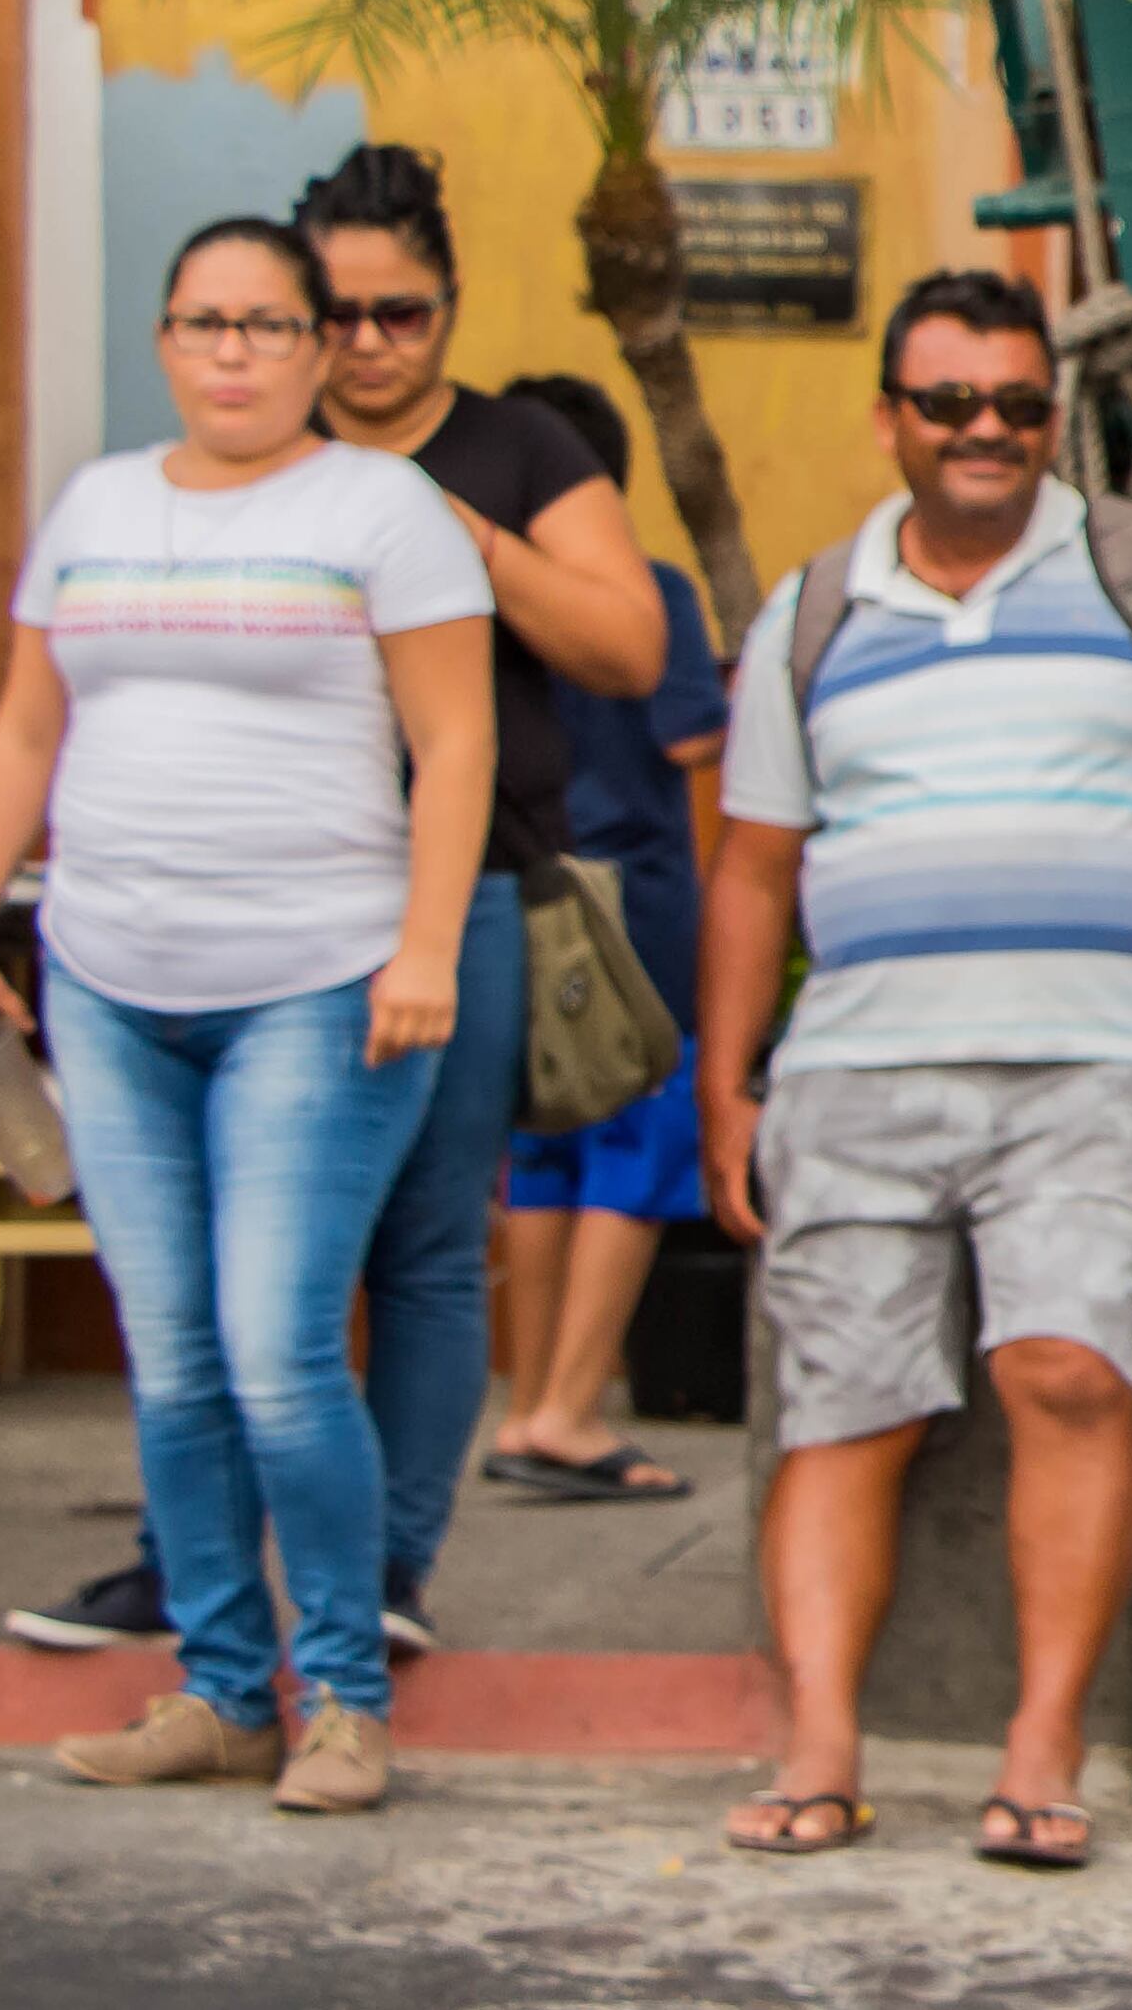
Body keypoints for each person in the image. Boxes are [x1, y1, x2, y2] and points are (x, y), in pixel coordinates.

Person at [696, 269, 1132, 1865]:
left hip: (1088, 1071)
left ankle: (1043, 1744)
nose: (987, 431)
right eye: (950, 403)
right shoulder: (810, 608)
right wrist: (727, 1086)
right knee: (842, 1410)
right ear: (892, 417)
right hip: (853, 1072)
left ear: (1055, 411)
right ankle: (820, 1742)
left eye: (1019, 405)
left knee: (1067, 1371)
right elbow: (754, 868)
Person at [8, 147, 665, 1659]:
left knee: (422, 1249)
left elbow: (630, 650)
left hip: (473, 894)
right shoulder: (203, 464)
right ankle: (192, 1571)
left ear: (447, 312)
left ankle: (385, 1573)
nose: (371, 344)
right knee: (223, 1290)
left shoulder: (514, 452)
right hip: (232, 918)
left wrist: (452, 532)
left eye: (404, 314)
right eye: (343, 313)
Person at [0, 218, 498, 1813]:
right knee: (173, 1362)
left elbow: (453, 745)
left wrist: (425, 946)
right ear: (166, 343)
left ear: (321, 349)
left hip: (319, 989)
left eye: (268, 325)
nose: (235, 352)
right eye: (206, 324)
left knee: (274, 1351)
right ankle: (219, 1690)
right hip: (111, 988)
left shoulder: (380, 508)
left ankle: (343, 1697)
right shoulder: (98, 506)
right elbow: (28, 727)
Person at [483, 370, 726, 1502]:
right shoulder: (657, 593)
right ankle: (573, 1411)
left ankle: (527, 1395)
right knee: (637, 1146)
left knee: (537, 1151)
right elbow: (696, 752)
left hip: (515, 891)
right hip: (636, 912)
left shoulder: (483, 590)